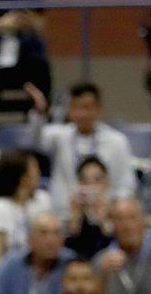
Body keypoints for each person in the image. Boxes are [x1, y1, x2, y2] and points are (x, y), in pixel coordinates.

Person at [28, 82, 136, 221]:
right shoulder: (60, 136)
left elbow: (127, 185)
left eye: (87, 107)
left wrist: (109, 207)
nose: (81, 113)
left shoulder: (117, 142)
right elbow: (37, 141)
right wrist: (39, 112)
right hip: (65, 216)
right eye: (75, 107)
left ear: (99, 108)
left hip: (105, 217)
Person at [0, 149, 52, 268]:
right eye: (35, 169)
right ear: (23, 178)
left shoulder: (43, 200)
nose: (39, 173)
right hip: (11, 272)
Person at [65, 156, 114, 258]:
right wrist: (75, 220)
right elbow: (67, 254)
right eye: (85, 181)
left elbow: (115, 247)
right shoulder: (72, 214)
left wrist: (103, 221)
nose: (91, 186)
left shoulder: (116, 214)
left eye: (97, 180)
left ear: (106, 184)